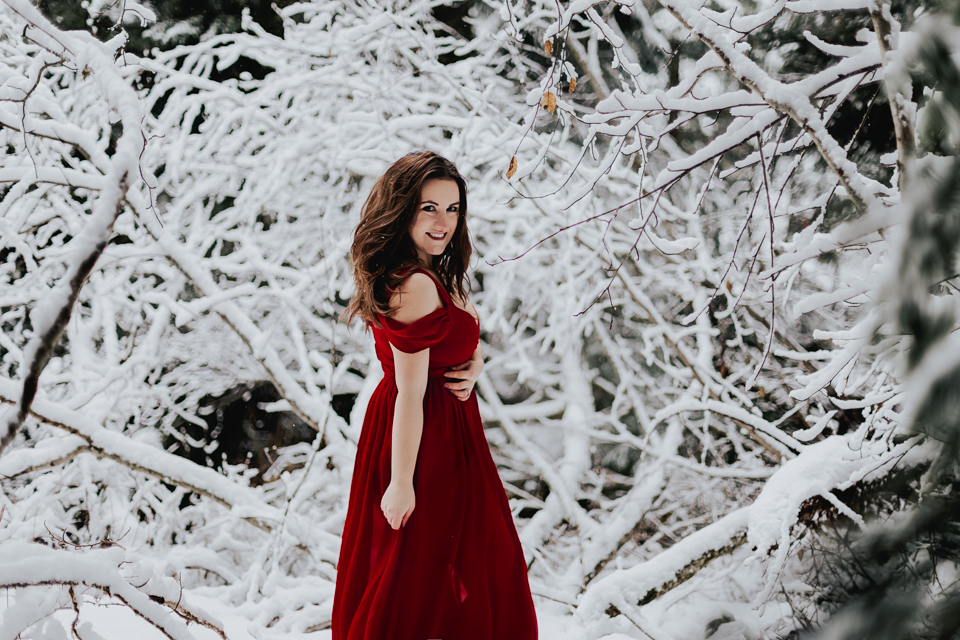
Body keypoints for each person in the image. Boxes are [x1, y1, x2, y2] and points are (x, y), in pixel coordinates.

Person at [333, 151, 538, 639]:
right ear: (402, 209)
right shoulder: (416, 283)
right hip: (424, 439)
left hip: (447, 431)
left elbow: (453, 339)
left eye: (452, 208)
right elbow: (410, 391)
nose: (443, 222)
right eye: (429, 208)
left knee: (450, 566)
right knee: (422, 570)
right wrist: (401, 482)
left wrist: (475, 362)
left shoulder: (433, 272)